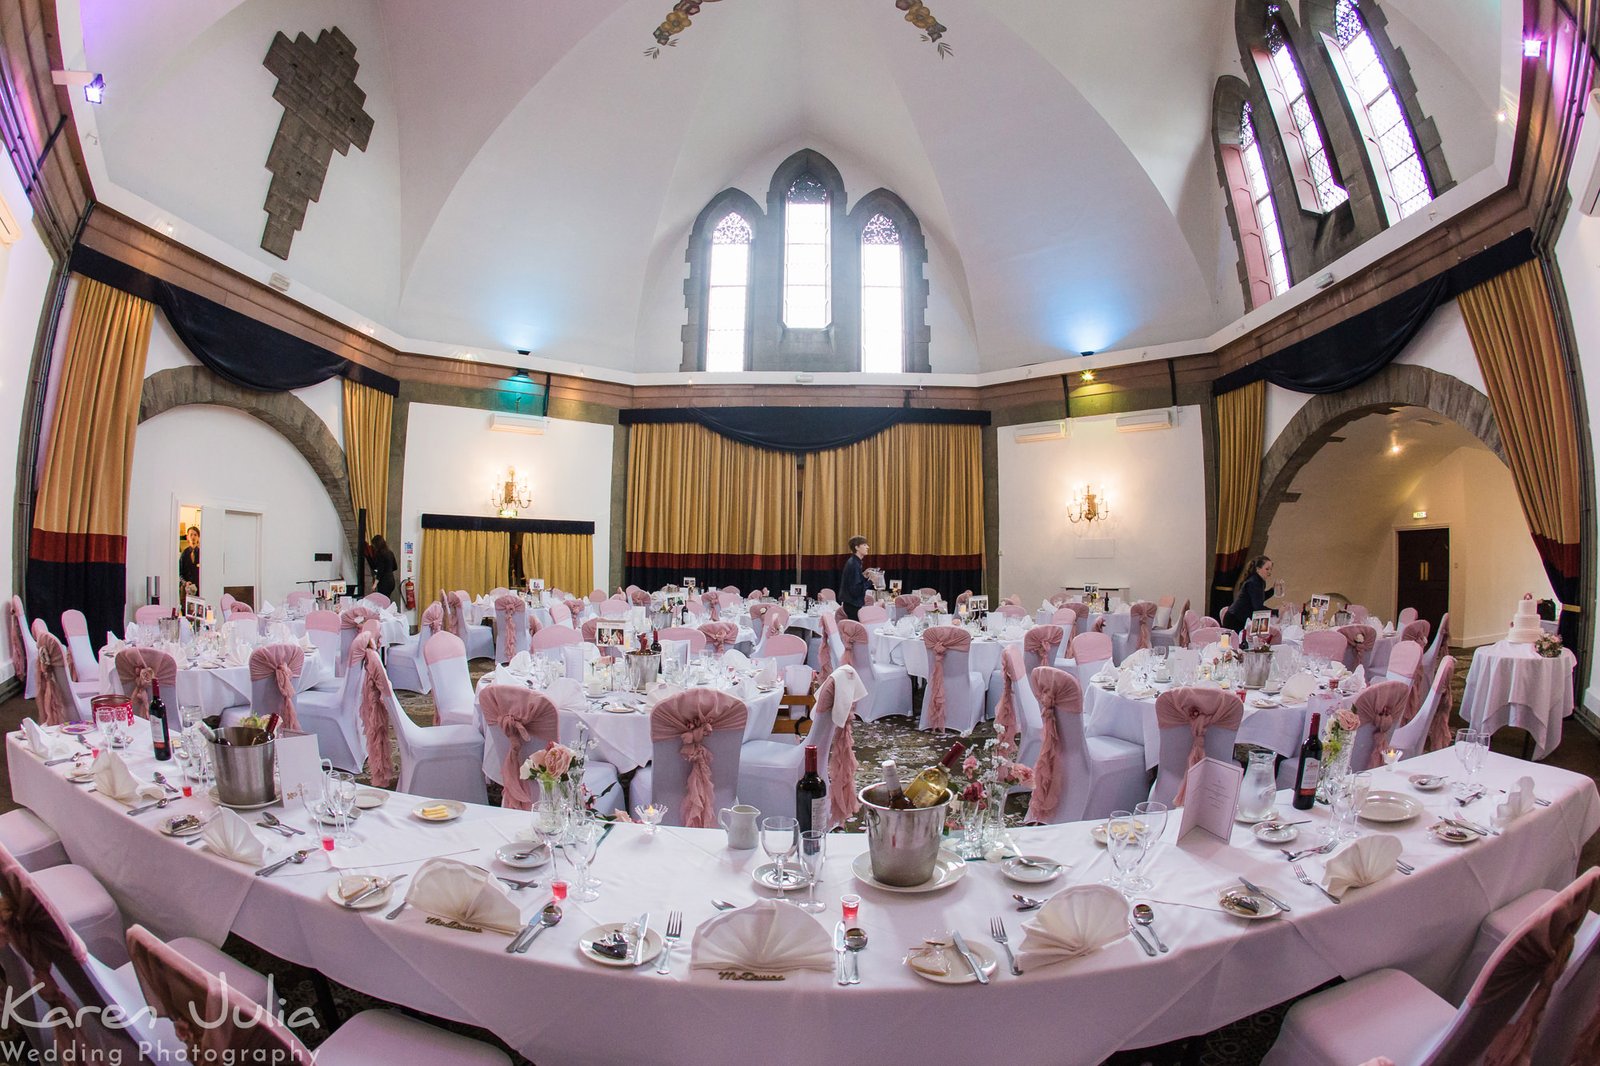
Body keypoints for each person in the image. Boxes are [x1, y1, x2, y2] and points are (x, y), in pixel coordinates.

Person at [1226, 555, 1274, 631]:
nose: (1269, 572)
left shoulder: (1259, 581)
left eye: (1271, 569)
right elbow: (1258, 608)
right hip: (1235, 619)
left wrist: (1273, 590)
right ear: (1258, 569)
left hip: (1241, 617)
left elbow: (1258, 598)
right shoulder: (1254, 582)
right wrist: (1276, 612)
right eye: (1267, 569)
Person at [839, 535, 870, 621]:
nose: (867, 547)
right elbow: (856, 590)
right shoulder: (854, 564)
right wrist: (871, 581)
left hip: (851, 603)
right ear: (857, 547)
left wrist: (864, 576)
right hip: (853, 605)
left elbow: (855, 583)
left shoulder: (855, 562)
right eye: (864, 545)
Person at [178, 526, 200, 602]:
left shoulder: (202, 554)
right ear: (187, 537)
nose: (193, 537)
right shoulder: (184, 554)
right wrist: (185, 583)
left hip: (199, 591)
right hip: (186, 591)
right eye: (191, 535)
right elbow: (179, 574)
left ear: (198, 537)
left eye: (195, 535)